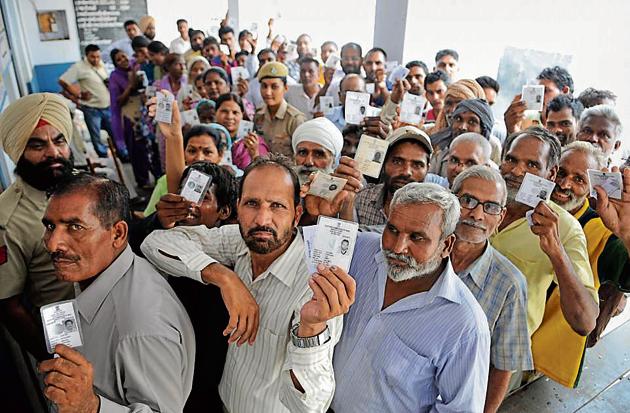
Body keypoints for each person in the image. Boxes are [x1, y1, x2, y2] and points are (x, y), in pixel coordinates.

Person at [142, 154, 345, 413]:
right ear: (237, 208)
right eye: (252, 203)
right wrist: (225, 278)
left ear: (296, 215)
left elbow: (310, 405)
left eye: (277, 206)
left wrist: (311, 327)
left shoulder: (314, 284)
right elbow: (155, 243)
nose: (262, 219)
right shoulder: (239, 243)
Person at [286, 182, 490, 412]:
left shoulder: (465, 325)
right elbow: (287, 252)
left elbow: (461, 409)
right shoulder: (360, 250)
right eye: (392, 230)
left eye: (417, 237)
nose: (398, 247)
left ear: (446, 245)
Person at [38, 174, 194, 412]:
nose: (52, 243)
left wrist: (91, 406)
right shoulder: (94, 274)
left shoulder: (142, 328)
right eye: (51, 226)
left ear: (118, 234)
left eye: (75, 227)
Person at [491, 127, 598, 388]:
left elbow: (584, 321)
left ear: (549, 174)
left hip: (500, 359)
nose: (516, 171)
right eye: (512, 160)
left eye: (531, 164)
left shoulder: (565, 227)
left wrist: (555, 250)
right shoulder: (480, 199)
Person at [450, 166, 533, 412]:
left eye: (491, 207)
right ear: (451, 200)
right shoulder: (424, 252)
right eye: (468, 200)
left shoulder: (509, 283)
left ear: (501, 216)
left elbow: (503, 366)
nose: (477, 214)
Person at [0, 93, 75, 361]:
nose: (53, 153)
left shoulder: (82, 187)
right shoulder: (7, 220)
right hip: (66, 330)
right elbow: (10, 306)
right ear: (18, 152)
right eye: (37, 145)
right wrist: (53, 360)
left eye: (59, 141)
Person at [550, 142, 630, 347]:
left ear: (591, 190)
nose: (565, 184)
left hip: (549, 352)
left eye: (578, 179)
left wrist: (626, 234)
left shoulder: (601, 230)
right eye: (561, 172)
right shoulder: (524, 208)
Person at [340, 126, 448, 227]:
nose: (406, 172)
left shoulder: (434, 214)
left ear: (427, 169)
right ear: (384, 163)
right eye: (397, 162)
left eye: (417, 165)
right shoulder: (361, 199)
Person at [144, 124, 225, 215]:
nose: (199, 158)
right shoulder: (165, 181)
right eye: (192, 151)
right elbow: (149, 217)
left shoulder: (228, 183)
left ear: (220, 154)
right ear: (183, 154)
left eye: (207, 152)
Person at [59, 44, 112, 157]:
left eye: (98, 56)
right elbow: (63, 81)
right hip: (92, 109)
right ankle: (103, 157)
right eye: (93, 57)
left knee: (114, 132)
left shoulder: (100, 64)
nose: (96, 59)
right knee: (96, 137)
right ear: (86, 56)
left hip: (107, 106)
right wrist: (78, 94)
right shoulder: (79, 67)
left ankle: (121, 155)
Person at [430, 98, 498, 176]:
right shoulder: (439, 158)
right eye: (459, 119)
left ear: (483, 130)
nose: (462, 127)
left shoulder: (492, 172)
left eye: (472, 122)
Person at [254, 62, 306, 157]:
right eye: (264, 86)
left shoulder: (294, 119)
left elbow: (302, 157)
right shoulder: (258, 115)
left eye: (274, 87)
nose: (268, 92)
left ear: (285, 88)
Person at [504, 66, 574, 134]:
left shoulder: (574, 123)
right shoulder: (523, 119)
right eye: (538, 91)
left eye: (545, 91)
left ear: (564, 91)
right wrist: (512, 129)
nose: (539, 96)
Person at [215, 93, 269, 170]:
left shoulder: (254, 142)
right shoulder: (208, 138)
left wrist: (255, 154)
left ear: (242, 115)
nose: (230, 117)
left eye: (235, 112)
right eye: (224, 111)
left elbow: (264, 171)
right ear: (215, 112)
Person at [292, 117, 343, 185]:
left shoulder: (343, 193)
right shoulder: (282, 189)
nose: (308, 162)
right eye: (303, 153)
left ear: (333, 160)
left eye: (318, 155)